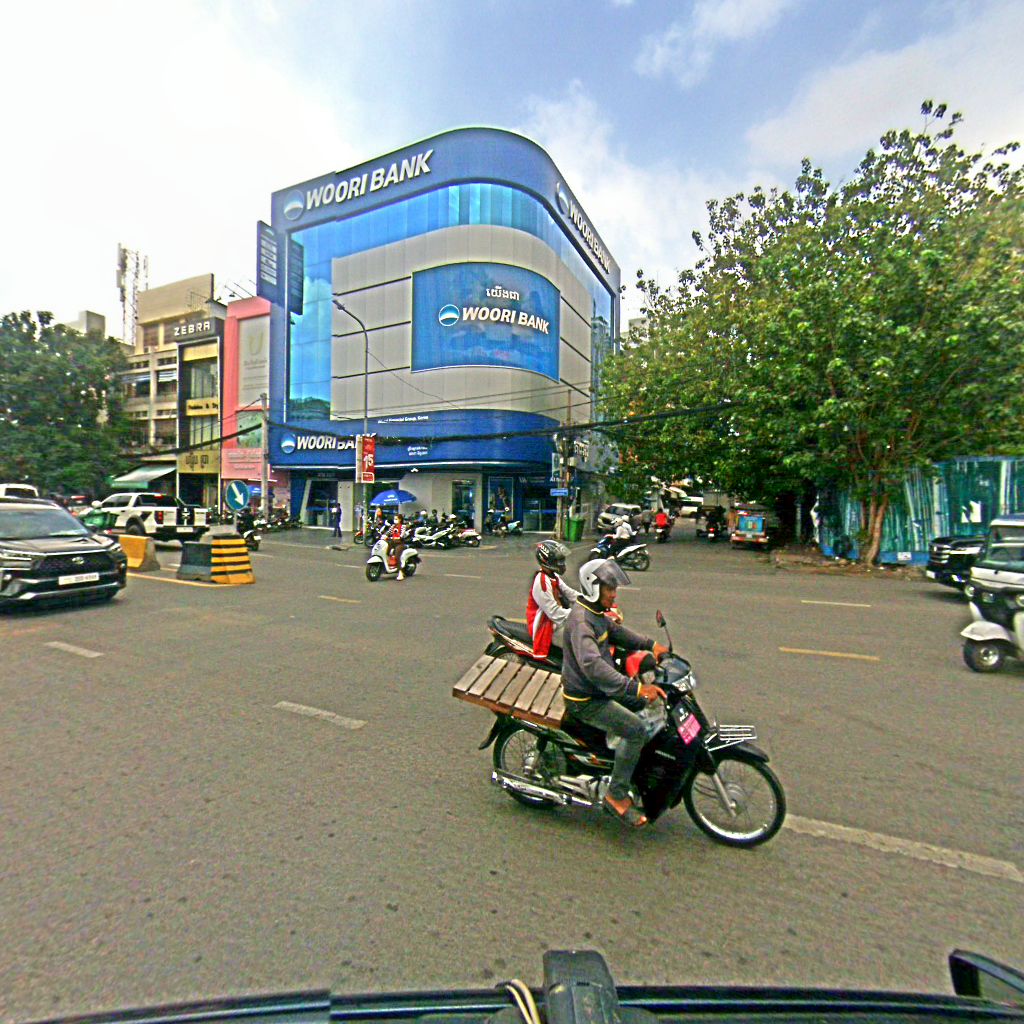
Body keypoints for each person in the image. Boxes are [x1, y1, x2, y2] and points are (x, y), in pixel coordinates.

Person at [561, 559, 668, 828]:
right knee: (636, 730)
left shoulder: (595, 613)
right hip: (586, 700)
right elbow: (593, 667)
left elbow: (617, 632)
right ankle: (615, 795)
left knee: (649, 708)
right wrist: (637, 688)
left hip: (599, 690)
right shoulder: (582, 621)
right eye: (609, 588)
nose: (614, 594)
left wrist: (651, 644)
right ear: (593, 588)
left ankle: (629, 767)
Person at [526, 541, 579, 657]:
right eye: (558, 560)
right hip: (545, 626)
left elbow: (570, 593)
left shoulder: (553, 576)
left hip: (554, 620)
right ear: (547, 560)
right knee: (579, 642)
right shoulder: (542, 582)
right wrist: (579, 613)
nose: (562, 563)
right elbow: (554, 613)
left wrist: (591, 601)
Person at [388, 513, 407, 580]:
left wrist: (399, 537)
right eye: (394, 519)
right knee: (386, 551)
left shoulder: (403, 526)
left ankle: (400, 572)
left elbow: (402, 534)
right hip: (392, 542)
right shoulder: (393, 526)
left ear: (400, 519)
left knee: (397, 555)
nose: (395, 520)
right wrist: (384, 535)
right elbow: (388, 532)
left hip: (399, 543)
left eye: (396, 519)